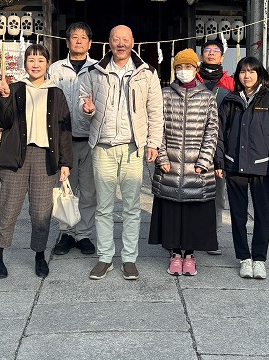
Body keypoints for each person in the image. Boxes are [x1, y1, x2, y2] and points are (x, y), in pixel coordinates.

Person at [81, 25, 163, 281]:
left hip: (132, 147)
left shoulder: (146, 73)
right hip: (103, 146)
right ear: (108, 42)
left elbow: (155, 110)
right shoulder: (95, 71)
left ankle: (129, 258)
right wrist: (87, 110)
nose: (120, 43)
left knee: (131, 207)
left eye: (125, 39)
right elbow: (83, 102)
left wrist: (153, 143)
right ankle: (105, 257)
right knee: (104, 207)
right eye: (116, 39)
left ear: (133, 42)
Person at [0, 43, 72, 279]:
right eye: (31, 60)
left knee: (41, 211)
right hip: (17, 155)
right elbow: (4, 122)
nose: (35, 65)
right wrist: (4, 97)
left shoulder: (56, 93)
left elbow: (64, 130)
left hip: (44, 158)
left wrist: (65, 163)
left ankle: (39, 255)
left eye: (40, 60)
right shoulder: (14, 88)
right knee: (9, 207)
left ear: (48, 64)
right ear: (24, 64)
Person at [215, 56, 269, 280]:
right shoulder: (230, 101)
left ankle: (259, 259)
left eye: (252, 72)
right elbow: (219, 134)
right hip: (235, 165)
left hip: (262, 167)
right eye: (243, 72)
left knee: (263, 215)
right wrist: (219, 161)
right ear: (237, 75)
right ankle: (244, 258)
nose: (247, 76)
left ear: (260, 75)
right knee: (238, 215)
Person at [149, 48, 219, 276]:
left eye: (188, 67)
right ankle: (175, 253)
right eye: (179, 67)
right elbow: (157, 126)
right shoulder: (165, 94)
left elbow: (212, 131)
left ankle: (190, 254)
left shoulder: (208, 96)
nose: (183, 71)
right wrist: (161, 157)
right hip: (170, 164)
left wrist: (205, 159)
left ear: (196, 69)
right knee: (172, 210)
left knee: (192, 212)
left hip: (197, 166)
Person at [48, 22, 98, 256]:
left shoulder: (98, 69)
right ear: (67, 42)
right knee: (66, 188)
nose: (78, 41)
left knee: (88, 190)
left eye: (83, 37)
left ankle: (85, 235)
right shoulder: (55, 69)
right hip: (63, 140)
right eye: (74, 37)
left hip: (90, 138)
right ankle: (66, 232)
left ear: (89, 43)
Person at [196, 39, 235, 254]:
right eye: (207, 50)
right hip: (192, 144)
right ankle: (191, 233)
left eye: (215, 51)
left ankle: (214, 235)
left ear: (222, 56)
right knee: (191, 189)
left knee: (217, 194)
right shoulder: (193, 79)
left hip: (220, 146)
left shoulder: (230, 83)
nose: (211, 54)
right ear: (201, 54)